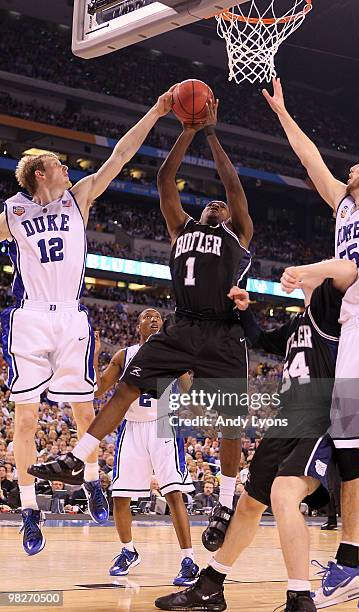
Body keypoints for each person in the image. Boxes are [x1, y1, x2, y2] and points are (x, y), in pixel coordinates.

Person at [29, 97, 254, 553]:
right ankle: (78, 458)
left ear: (229, 217)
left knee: (230, 418)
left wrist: (211, 133)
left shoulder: (238, 233)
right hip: (182, 326)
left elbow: (232, 187)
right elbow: (165, 179)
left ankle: (226, 504)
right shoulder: (179, 227)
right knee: (128, 385)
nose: (216, 204)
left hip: (222, 332)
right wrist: (187, 129)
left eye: (221, 206)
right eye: (209, 203)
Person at [0, 85, 174, 555]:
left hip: (73, 317)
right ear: (40, 172)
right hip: (30, 316)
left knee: (83, 411)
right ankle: (31, 511)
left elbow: (121, 154)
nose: (68, 168)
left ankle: (92, 480)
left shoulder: (80, 197)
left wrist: (156, 111)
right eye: (59, 164)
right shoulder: (11, 212)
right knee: (26, 419)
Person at [263, 77, 359, 611]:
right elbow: (309, 161)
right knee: (351, 455)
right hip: (351, 333)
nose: (345, 170)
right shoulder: (345, 209)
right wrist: (281, 111)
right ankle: (348, 562)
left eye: (356, 165)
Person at [154, 258, 357, 612]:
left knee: (282, 495)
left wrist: (306, 272)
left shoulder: (329, 308)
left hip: (318, 417)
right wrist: (245, 310)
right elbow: (261, 339)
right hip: (285, 420)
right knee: (249, 504)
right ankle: (210, 586)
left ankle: (300, 596)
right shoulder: (297, 323)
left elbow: (348, 272)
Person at [93, 309, 199, 586]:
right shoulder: (124, 355)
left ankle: (189, 559)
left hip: (163, 422)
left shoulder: (172, 351)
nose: (153, 319)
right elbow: (99, 389)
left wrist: (188, 362)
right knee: (120, 496)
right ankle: (128, 551)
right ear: (137, 324)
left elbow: (188, 389)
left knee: (173, 491)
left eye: (158, 317)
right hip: (131, 425)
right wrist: (92, 356)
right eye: (147, 316)